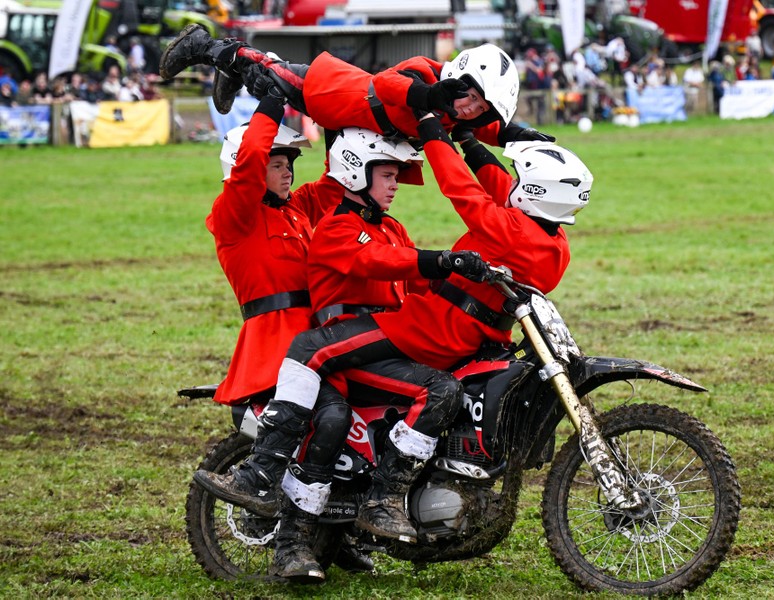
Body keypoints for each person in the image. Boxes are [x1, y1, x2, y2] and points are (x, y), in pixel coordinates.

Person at [197, 104, 593, 580]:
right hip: (312, 340)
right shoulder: (299, 220)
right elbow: (381, 261)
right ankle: (271, 492)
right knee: (332, 419)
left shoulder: (354, 221)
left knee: (441, 390)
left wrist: (460, 286)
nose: (396, 184)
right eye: (387, 175)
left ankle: (362, 518)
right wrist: (273, 102)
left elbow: (392, 255)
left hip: (375, 335)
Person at [157, 24, 551, 148]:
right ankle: (205, 45)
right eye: (472, 99)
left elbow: (490, 129)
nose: (470, 110)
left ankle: (232, 69)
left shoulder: (455, 115)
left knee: (265, 80)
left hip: (345, 125)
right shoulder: (426, 73)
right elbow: (388, 83)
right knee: (270, 76)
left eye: (481, 107)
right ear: (459, 78)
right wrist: (430, 96)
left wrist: (524, 136)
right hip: (335, 90)